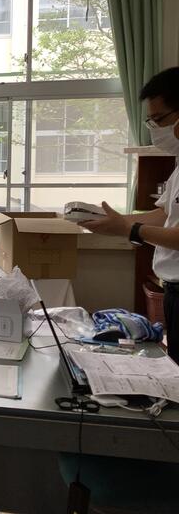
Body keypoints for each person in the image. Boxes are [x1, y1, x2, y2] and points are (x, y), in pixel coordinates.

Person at [81, 67, 179, 363]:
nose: (154, 128)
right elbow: (164, 215)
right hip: (173, 291)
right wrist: (115, 221)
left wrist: (129, 230)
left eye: (159, 119)